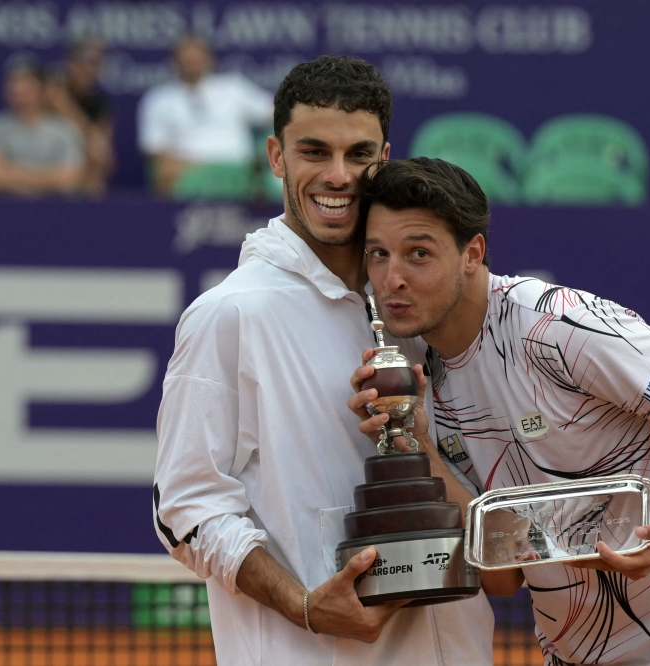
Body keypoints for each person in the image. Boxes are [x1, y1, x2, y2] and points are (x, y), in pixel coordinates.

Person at [348, 157, 650, 666]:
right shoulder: (424, 384)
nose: (391, 279)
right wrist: (419, 446)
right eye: (378, 254)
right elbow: (502, 576)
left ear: (472, 253)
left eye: (418, 254)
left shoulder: (555, 325)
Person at [152, 59, 494, 665]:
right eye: (314, 152)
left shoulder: (417, 302)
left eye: (359, 155)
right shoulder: (229, 313)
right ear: (276, 156)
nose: (338, 177)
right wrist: (305, 605)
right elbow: (186, 508)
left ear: (384, 157)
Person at [138, 34, 273, 195]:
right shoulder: (159, 99)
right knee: (165, 172)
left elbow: (275, 113)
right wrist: (199, 167)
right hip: (189, 169)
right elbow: (154, 150)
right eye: (186, 59)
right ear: (175, 61)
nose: (191, 63)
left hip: (239, 168)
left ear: (209, 59)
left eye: (196, 58)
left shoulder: (233, 88)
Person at [0, 57, 84, 196]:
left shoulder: (64, 130)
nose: (18, 88)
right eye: (13, 82)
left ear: (42, 88)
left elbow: (70, 178)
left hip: (53, 211)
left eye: (26, 82)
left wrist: (12, 173)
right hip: (4, 210)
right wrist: (49, 176)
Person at [46, 37, 114, 195]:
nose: (88, 70)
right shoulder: (49, 91)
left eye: (95, 64)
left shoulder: (99, 104)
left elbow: (103, 152)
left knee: (97, 158)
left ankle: (89, 211)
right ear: (69, 63)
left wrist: (64, 106)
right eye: (82, 63)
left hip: (77, 166)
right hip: (46, 159)